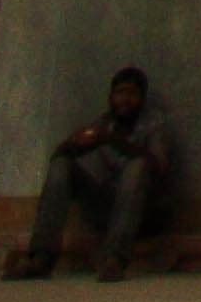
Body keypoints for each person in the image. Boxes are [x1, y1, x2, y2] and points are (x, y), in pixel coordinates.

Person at [9, 66, 176, 281]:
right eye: (120, 93)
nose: (125, 100)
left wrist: (112, 140)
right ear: (111, 97)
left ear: (142, 98)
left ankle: (115, 259)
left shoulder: (154, 124)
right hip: (106, 208)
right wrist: (72, 144)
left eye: (132, 94)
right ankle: (41, 256)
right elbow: (61, 155)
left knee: (137, 167)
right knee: (62, 165)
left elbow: (157, 165)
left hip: (144, 212)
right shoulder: (103, 124)